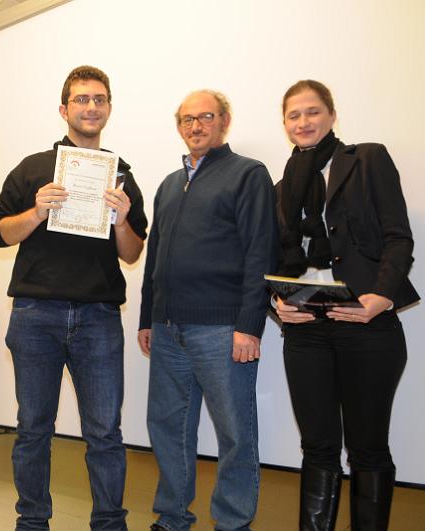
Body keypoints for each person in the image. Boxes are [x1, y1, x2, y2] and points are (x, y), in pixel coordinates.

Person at [0, 65, 148, 531]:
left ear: (109, 108)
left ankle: (109, 523)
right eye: (81, 99)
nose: (90, 107)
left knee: (104, 433)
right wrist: (36, 211)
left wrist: (122, 220)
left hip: (99, 317)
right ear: (64, 109)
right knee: (33, 429)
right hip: (35, 315)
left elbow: (133, 252)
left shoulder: (122, 175)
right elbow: (0, 233)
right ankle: (32, 522)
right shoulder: (32, 168)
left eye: (99, 99)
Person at [273, 80, 418, 531]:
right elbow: (270, 258)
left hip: (367, 325)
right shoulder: (281, 187)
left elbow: (398, 236)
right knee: (317, 448)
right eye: (294, 115)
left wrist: (383, 295)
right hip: (306, 330)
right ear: (285, 124)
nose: (303, 122)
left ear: (332, 115)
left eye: (313, 111)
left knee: (368, 448)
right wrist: (276, 303)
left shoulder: (367, 159)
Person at [138, 90, 277, 531]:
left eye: (205, 117)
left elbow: (260, 252)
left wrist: (249, 325)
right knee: (167, 427)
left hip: (221, 328)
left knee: (235, 432)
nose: (195, 126)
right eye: (187, 119)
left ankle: (232, 522)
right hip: (167, 329)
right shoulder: (168, 184)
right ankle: (172, 516)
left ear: (224, 121)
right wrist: (147, 318)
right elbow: (154, 255)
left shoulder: (248, 174)